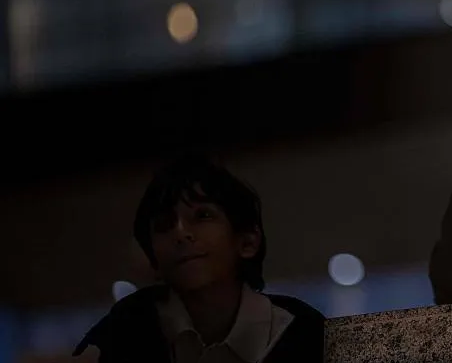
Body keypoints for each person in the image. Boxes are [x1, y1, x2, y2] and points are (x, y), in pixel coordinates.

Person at [74, 154, 324, 363]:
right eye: (164, 224)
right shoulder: (123, 333)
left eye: (203, 216)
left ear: (247, 242)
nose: (181, 233)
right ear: (154, 261)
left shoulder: (312, 330)